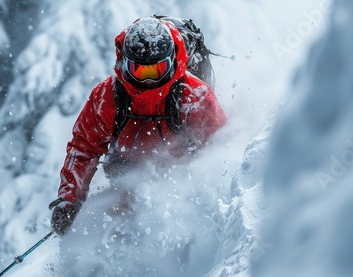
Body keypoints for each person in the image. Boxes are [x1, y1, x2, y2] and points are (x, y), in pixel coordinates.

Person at [49, 17, 227, 236]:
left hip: (182, 175)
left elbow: (220, 146)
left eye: (157, 70)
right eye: (141, 71)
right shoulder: (108, 97)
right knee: (119, 220)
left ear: (172, 61)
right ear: (125, 64)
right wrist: (70, 200)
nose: (150, 80)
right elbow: (84, 148)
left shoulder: (195, 96)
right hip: (126, 172)